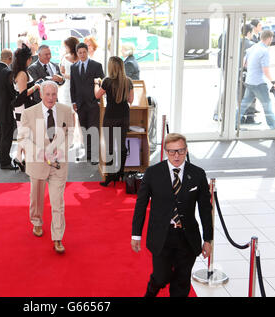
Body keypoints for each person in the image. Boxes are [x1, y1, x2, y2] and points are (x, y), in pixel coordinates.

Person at [131, 133, 213, 297]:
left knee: (182, 282)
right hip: (162, 235)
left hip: (187, 237)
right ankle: (152, 289)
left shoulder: (197, 174)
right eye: (172, 151)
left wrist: (208, 239)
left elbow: (205, 208)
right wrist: (136, 235)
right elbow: (141, 205)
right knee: (161, 277)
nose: (176, 156)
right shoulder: (152, 173)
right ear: (165, 151)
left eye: (180, 151)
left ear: (186, 150)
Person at [18, 81, 74, 254]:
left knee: (58, 202)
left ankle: (57, 237)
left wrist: (62, 149)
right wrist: (40, 153)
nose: (51, 98)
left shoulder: (66, 110)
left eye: (54, 94)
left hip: (58, 164)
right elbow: (23, 139)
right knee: (36, 197)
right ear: (41, 95)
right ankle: (36, 221)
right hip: (37, 162)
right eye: (47, 94)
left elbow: (70, 133)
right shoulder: (28, 113)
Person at [94, 56, 134, 186]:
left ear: (111, 67)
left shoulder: (107, 81)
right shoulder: (128, 81)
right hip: (124, 116)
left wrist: (96, 84)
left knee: (110, 147)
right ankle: (120, 173)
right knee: (121, 146)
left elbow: (97, 95)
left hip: (111, 116)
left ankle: (111, 176)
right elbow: (130, 100)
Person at [70, 42, 104, 164]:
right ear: (77, 53)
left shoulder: (96, 66)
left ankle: (95, 156)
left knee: (93, 129)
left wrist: (100, 101)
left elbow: (102, 85)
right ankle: (87, 154)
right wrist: (73, 101)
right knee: (84, 129)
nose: (82, 54)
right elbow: (72, 86)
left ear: (87, 52)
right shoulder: (73, 67)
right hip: (80, 104)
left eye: (84, 52)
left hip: (94, 103)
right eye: (80, 52)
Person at [238, 30, 275, 129]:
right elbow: (265, 70)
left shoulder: (253, 48)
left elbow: (244, 64)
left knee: (243, 105)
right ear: (269, 38)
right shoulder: (264, 51)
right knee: (267, 105)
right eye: (271, 39)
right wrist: (273, 81)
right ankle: (274, 127)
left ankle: (232, 124)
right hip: (259, 83)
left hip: (249, 81)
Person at [11, 44, 40, 171]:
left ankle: (20, 158)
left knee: (24, 134)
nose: (31, 59)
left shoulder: (22, 72)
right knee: (25, 134)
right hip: (22, 108)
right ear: (26, 59)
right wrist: (36, 87)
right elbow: (22, 95)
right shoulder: (22, 74)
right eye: (30, 58)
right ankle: (23, 159)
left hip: (24, 107)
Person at [0, 49, 18, 171]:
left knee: (0, 134)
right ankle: (5, 161)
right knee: (6, 136)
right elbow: (11, 92)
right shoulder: (7, 72)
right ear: (9, 58)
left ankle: (2, 157)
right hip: (6, 108)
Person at [239, 23, 258, 125]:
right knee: (251, 96)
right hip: (249, 74)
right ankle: (250, 118)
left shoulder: (235, 43)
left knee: (240, 96)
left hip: (238, 74)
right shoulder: (252, 45)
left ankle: (240, 118)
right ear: (249, 33)